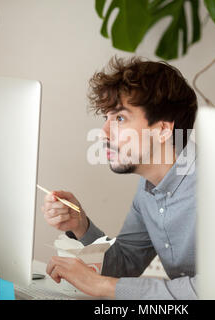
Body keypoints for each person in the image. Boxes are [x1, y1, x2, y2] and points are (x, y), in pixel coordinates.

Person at [43, 56, 198, 299]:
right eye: (106, 118)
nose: (103, 132)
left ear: (163, 130)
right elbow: (126, 262)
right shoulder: (149, 187)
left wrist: (102, 286)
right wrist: (81, 226)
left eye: (120, 118)